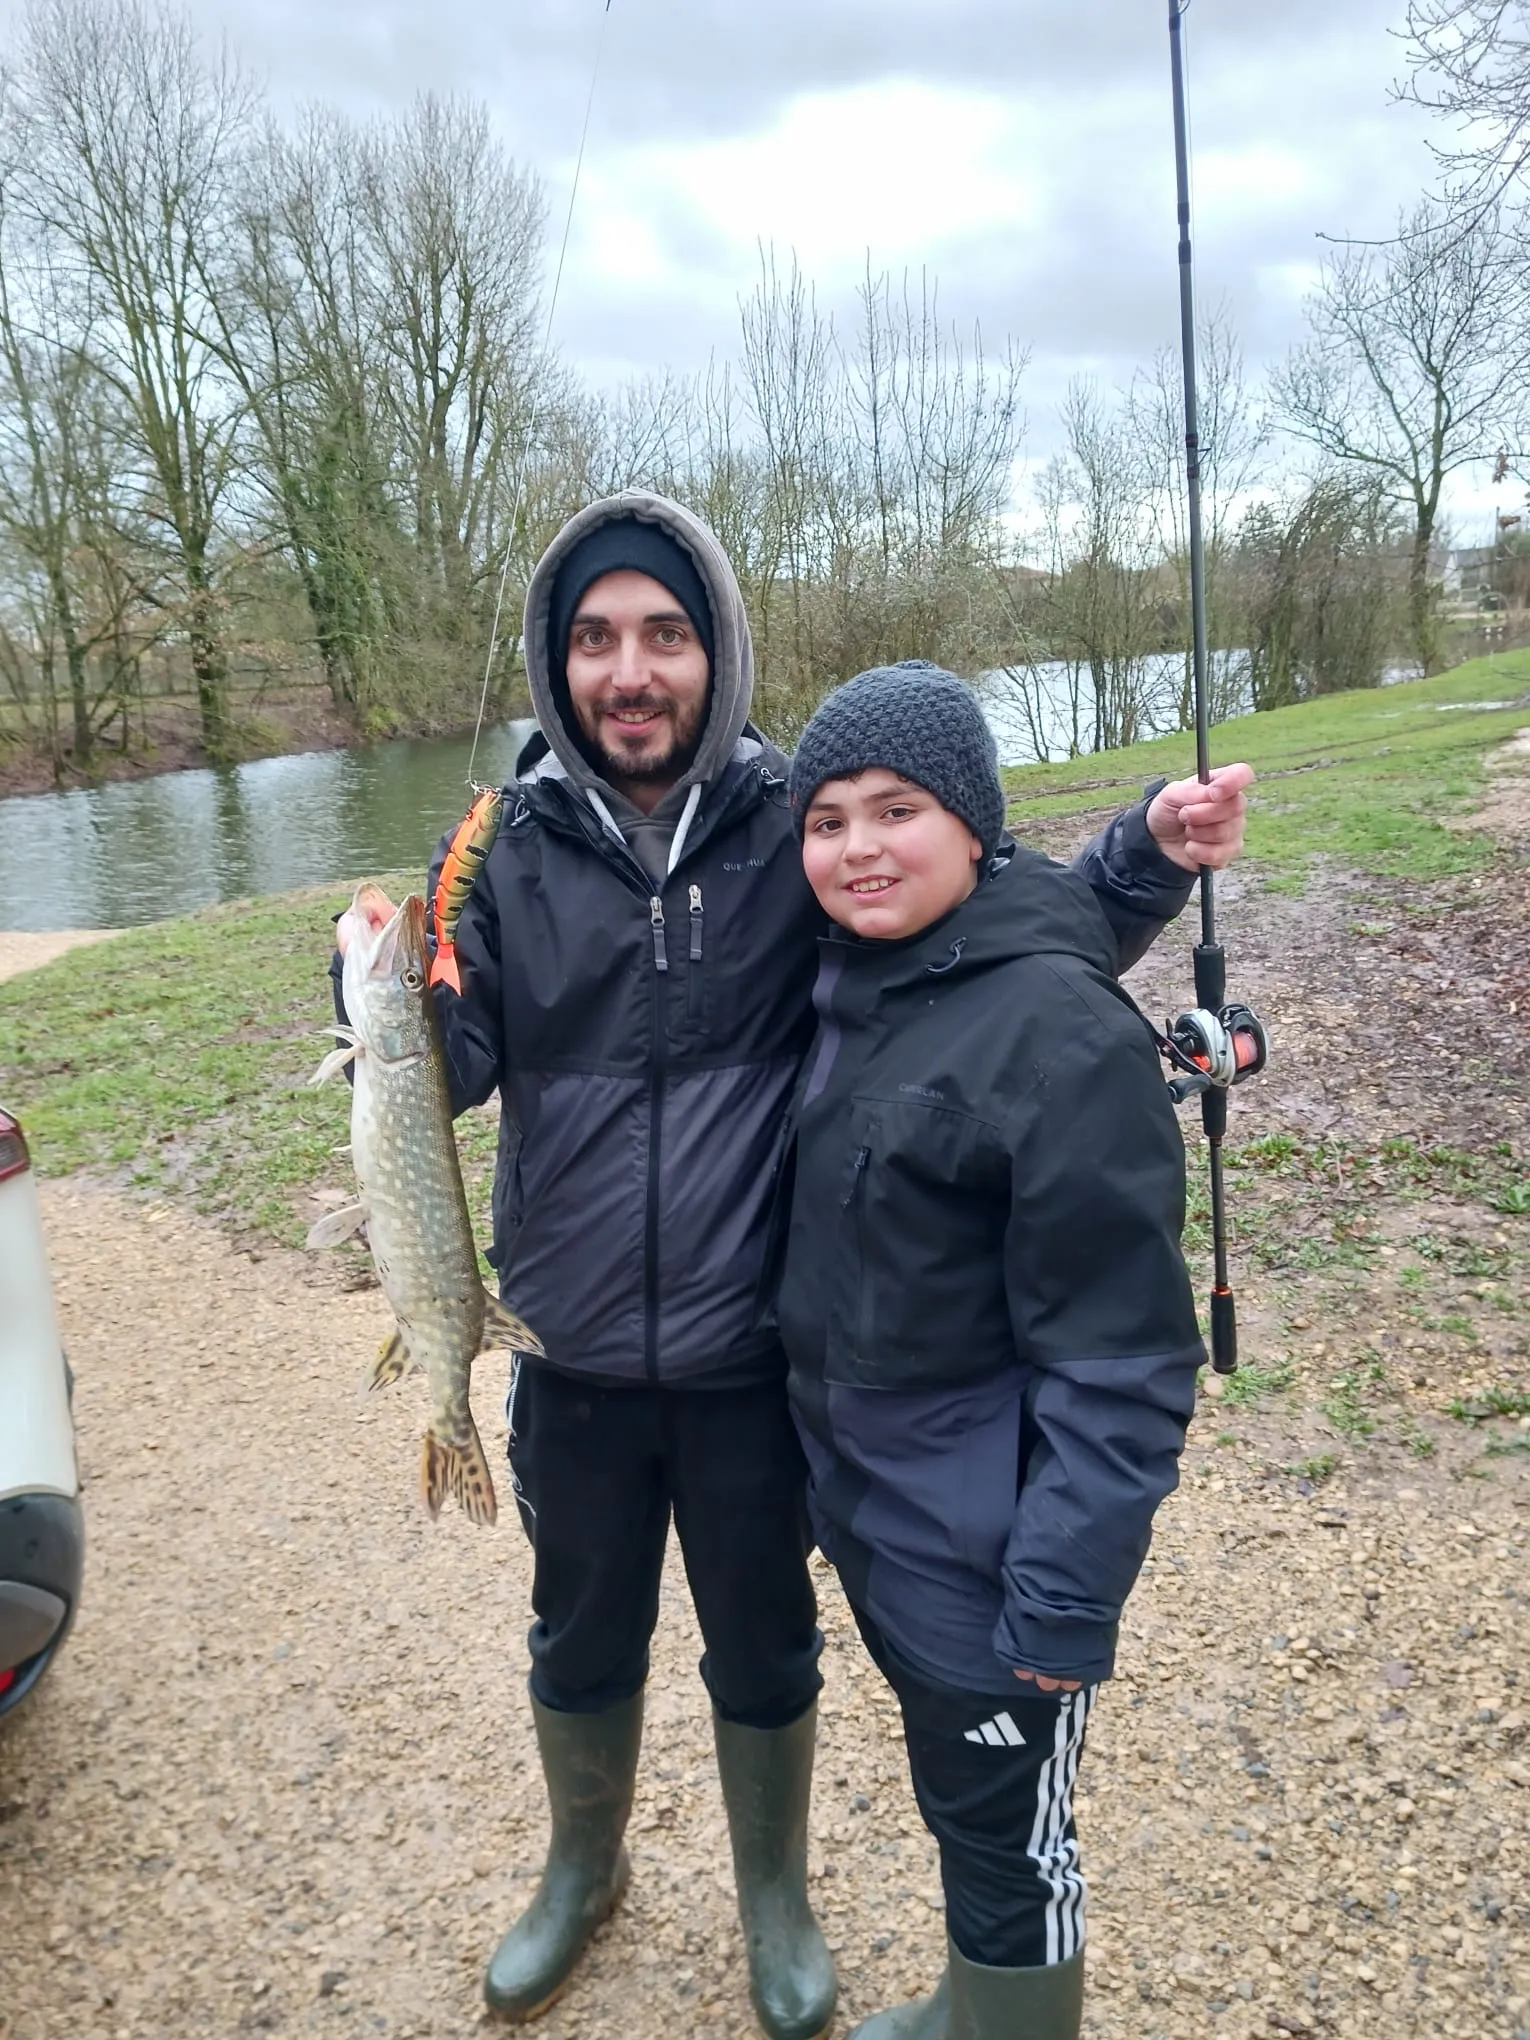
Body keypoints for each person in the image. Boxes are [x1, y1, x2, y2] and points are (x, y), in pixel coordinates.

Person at [333, 493, 1251, 2036]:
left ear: (718, 655)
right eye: (595, 640)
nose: (632, 671)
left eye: (666, 636)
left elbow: (980, 935)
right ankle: (582, 1866)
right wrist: (378, 1003)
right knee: (577, 1627)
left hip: (751, 1360)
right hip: (564, 1352)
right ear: (560, 669)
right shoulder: (503, 840)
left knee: (763, 1638)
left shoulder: (791, 824)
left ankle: (778, 1896)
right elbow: (456, 1050)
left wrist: (1143, 859)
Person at [776, 662, 1211, 2040]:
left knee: (1013, 1847)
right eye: (825, 820)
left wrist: (1063, 1600)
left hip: (991, 1552)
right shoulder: (869, 968)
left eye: (894, 810)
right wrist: (1140, 858)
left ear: (974, 824)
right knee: (960, 1813)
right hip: (879, 1514)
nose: (855, 849)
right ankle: (975, 2005)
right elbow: (1059, 917)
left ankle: (1010, 2009)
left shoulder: (1068, 1041)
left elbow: (1126, 1365)